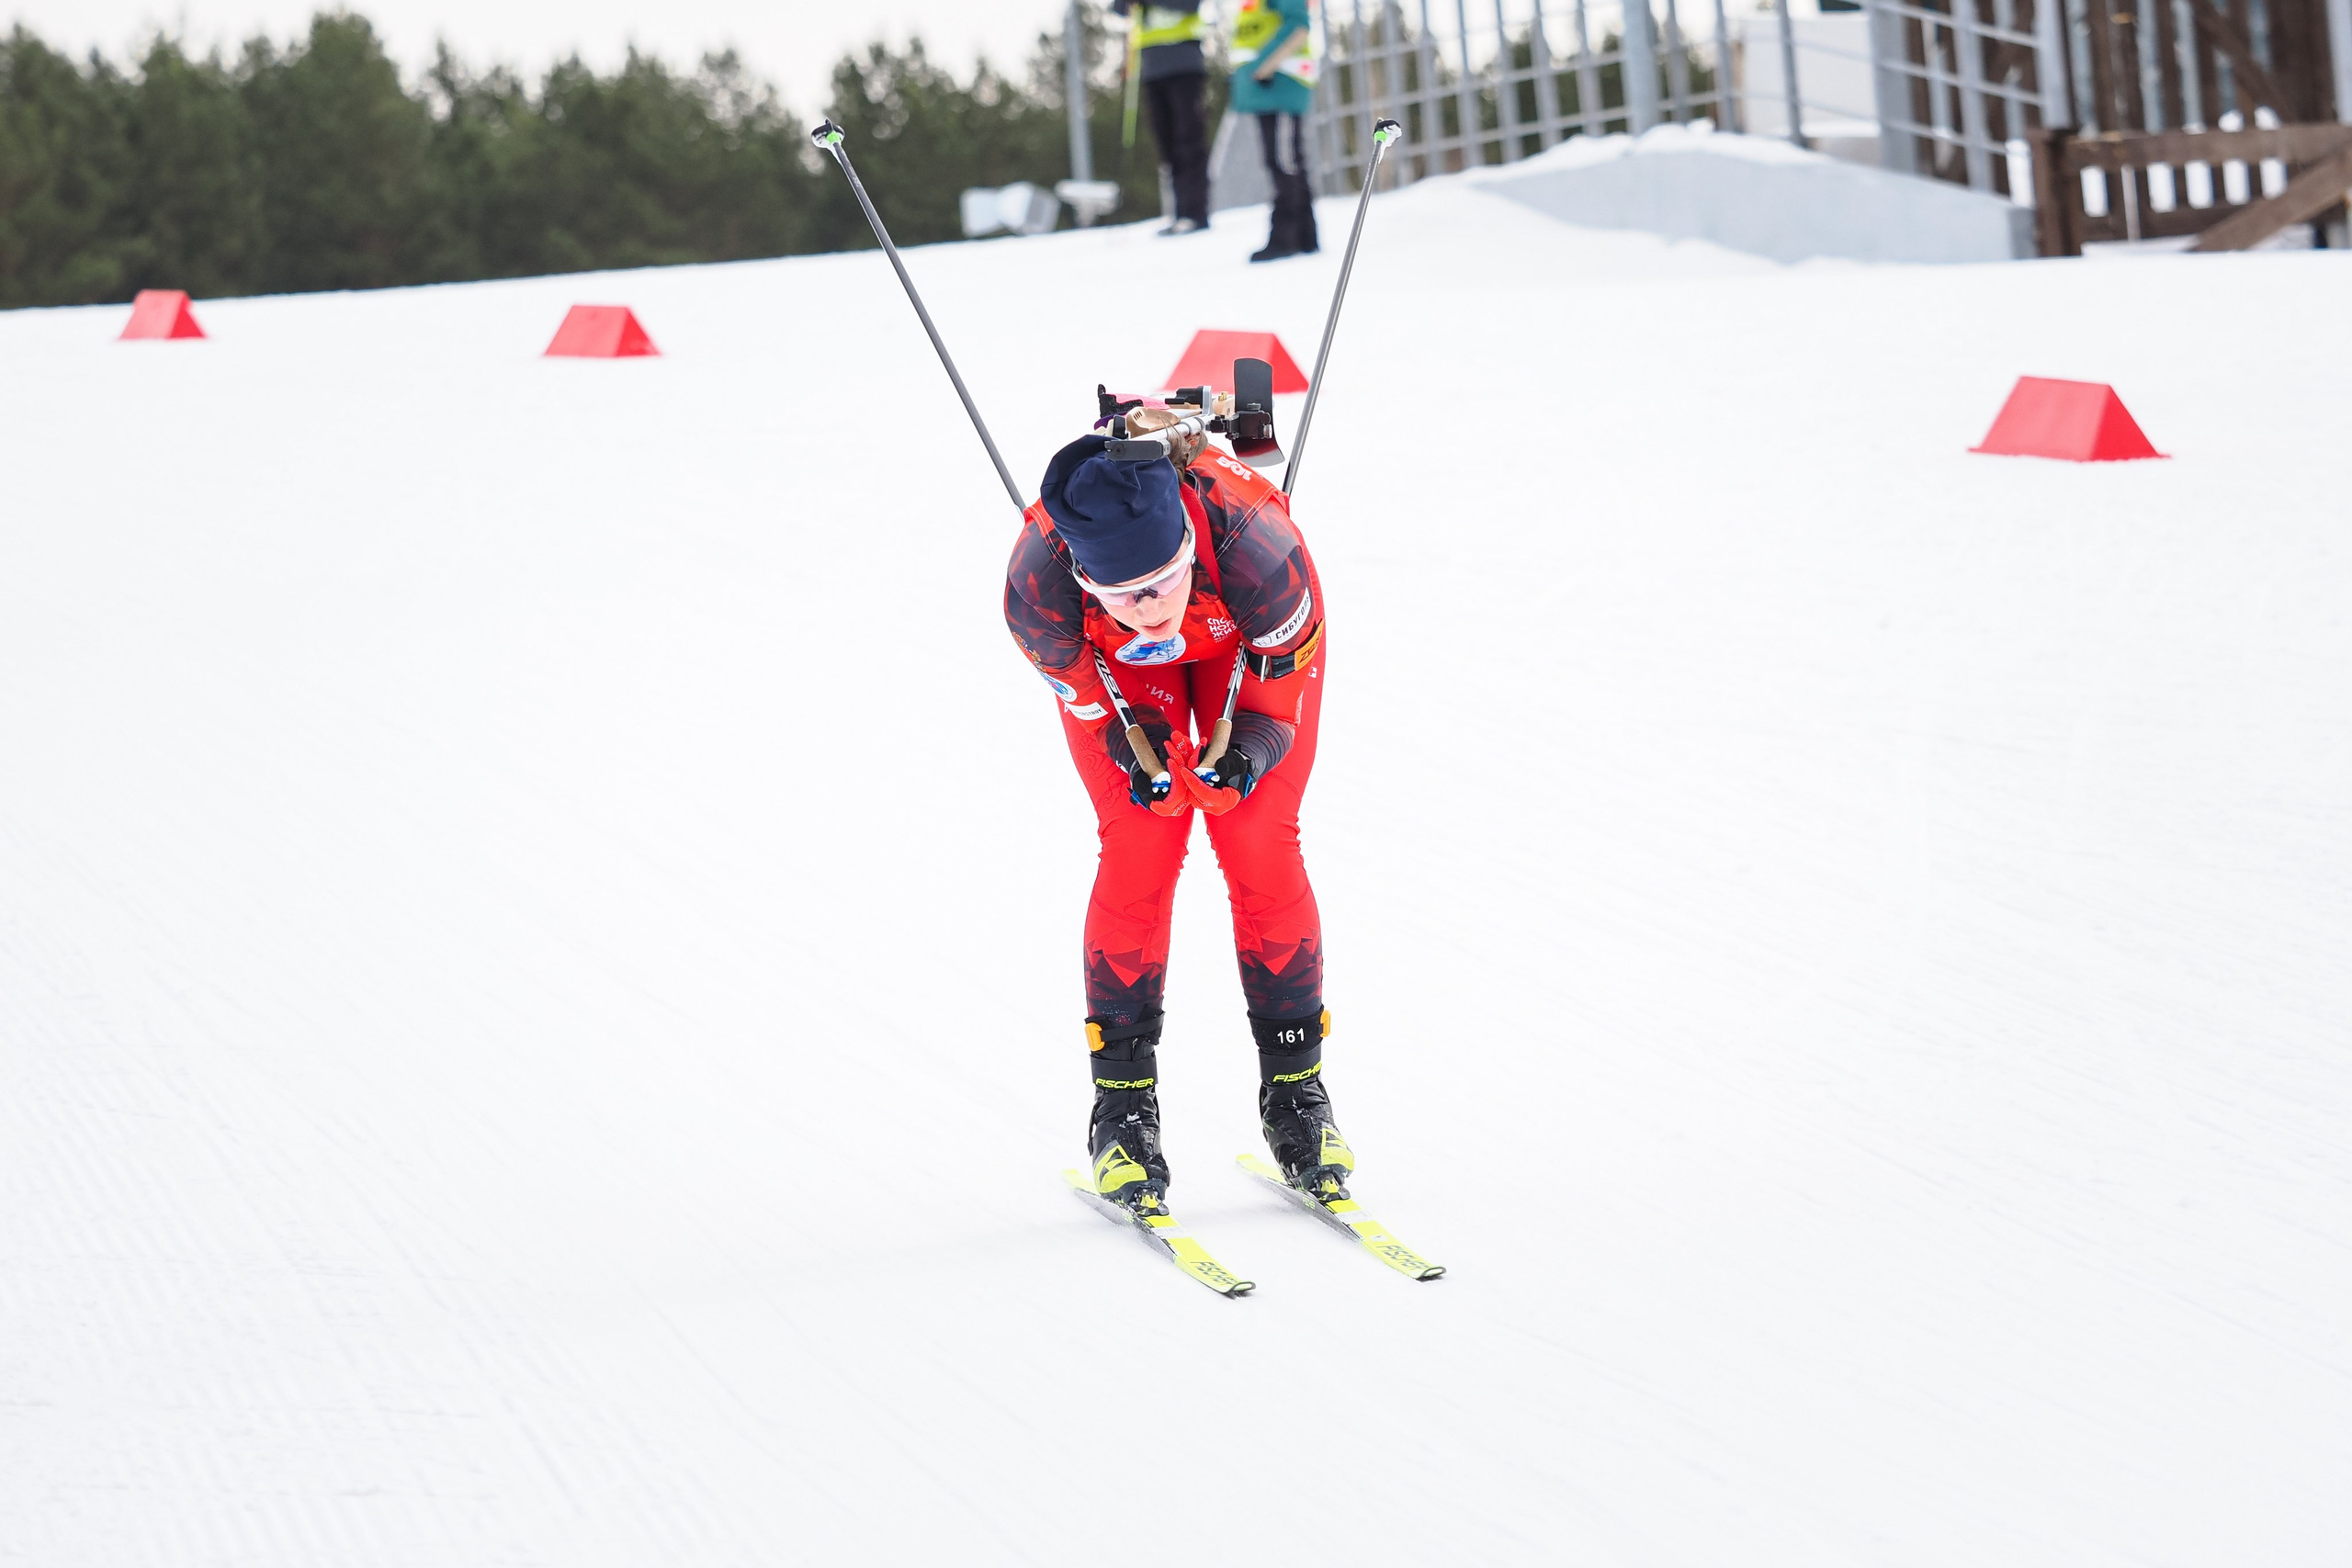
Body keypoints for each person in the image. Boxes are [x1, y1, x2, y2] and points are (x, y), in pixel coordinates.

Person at [1003, 406, 1344, 1215]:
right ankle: (1122, 1113)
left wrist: (1244, 756)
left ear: (1188, 542)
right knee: (1141, 842)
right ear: (1084, 578)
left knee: (1259, 839)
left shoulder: (1261, 552)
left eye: (1161, 580)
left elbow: (1274, 709)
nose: (1148, 608)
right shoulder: (1039, 595)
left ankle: (1297, 1096)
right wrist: (1139, 755)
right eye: (1120, 593)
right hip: (1122, 671)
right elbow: (1096, 709)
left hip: (1242, 638)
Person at [1227, 0, 1320, 262]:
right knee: (1283, 160)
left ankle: (1286, 237)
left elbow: (1298, 26)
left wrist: (1262, 67)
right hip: (1267, 90)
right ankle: (1305, 236)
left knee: (1285, 161)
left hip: (1279, 86)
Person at [1112, 0, 1211, 235]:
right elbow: (1119, 9)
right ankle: (1179, 212)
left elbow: (1190, 5)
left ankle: (1195, 214)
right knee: (1166, 144)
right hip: (1152, 68)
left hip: (1184, 62)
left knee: (1189, 140)